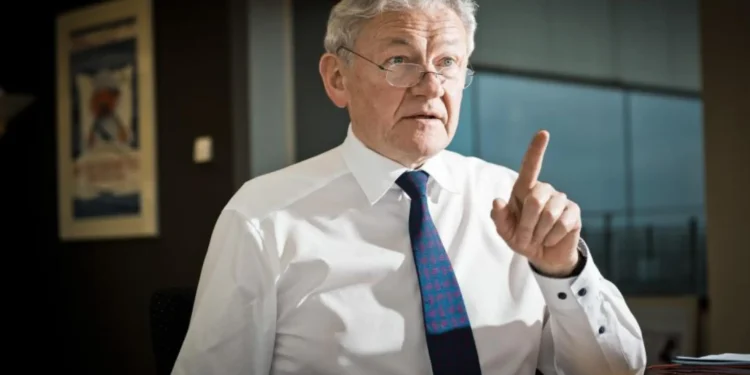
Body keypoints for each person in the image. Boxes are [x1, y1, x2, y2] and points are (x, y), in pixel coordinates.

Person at [172, 0, 647, 374]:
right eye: (399, 60)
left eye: (447, 62)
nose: (430, 85)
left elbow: (618, 370)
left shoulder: (511, 201)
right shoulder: (263, 216)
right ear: (338, 79)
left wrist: (562, 270)